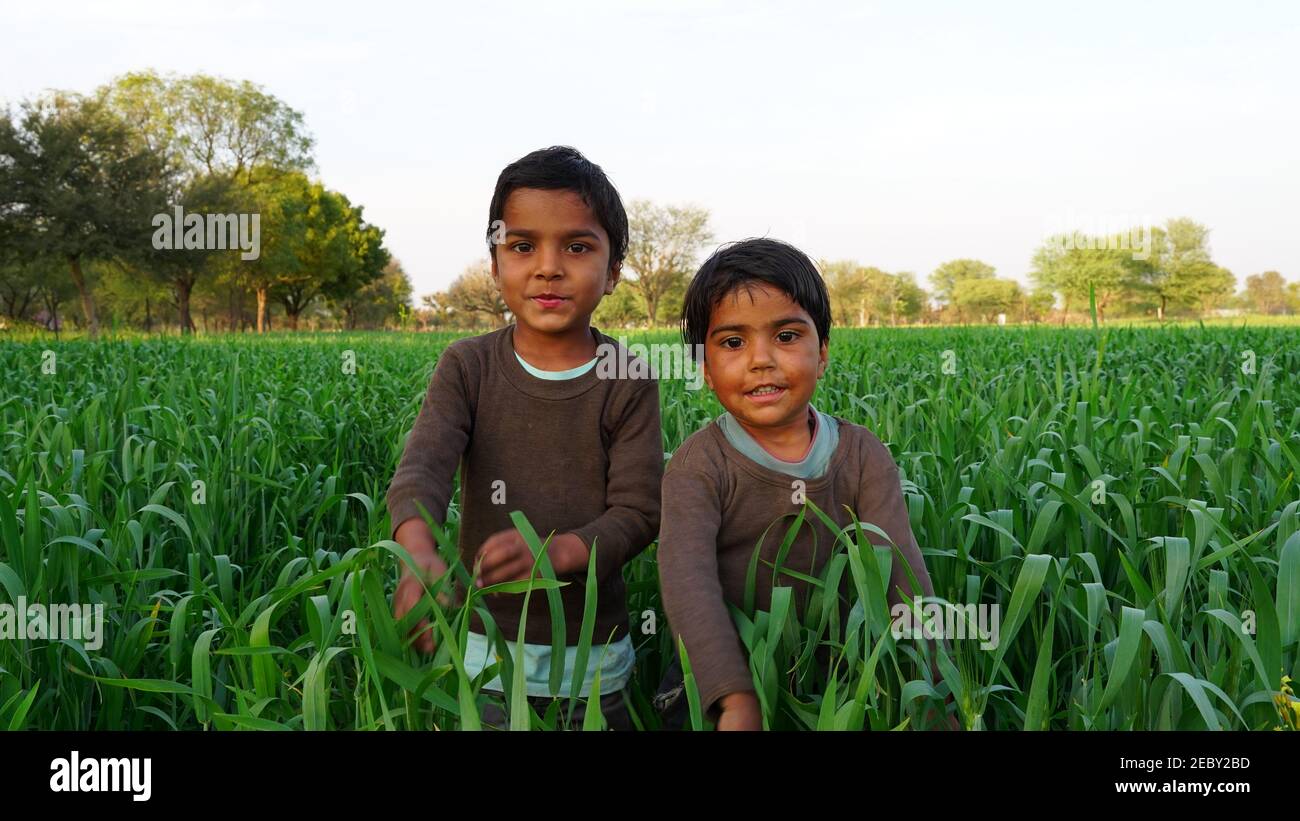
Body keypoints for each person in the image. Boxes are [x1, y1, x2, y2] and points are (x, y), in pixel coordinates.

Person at [385, 146, 662, 730]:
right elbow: (422, 473)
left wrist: (555, 552)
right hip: (484, 651)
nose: (549, 267)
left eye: (578, 247)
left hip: (592, 662)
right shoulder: (467, 367)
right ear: (494, 263)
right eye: (522, 245)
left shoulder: (628, 378)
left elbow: (638, 513)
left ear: (613, 271)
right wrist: (417, 556)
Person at [655, 238, 946, 730]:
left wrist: (935, 687)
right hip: (724, 662)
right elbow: (689, 587)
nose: (761, 360)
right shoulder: (698, 466)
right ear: (705, 369)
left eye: (786, 336)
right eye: (732, 343)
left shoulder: (861, 454)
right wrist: (734, 695)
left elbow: (902, 574)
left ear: (823, 352)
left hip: (841, 661)